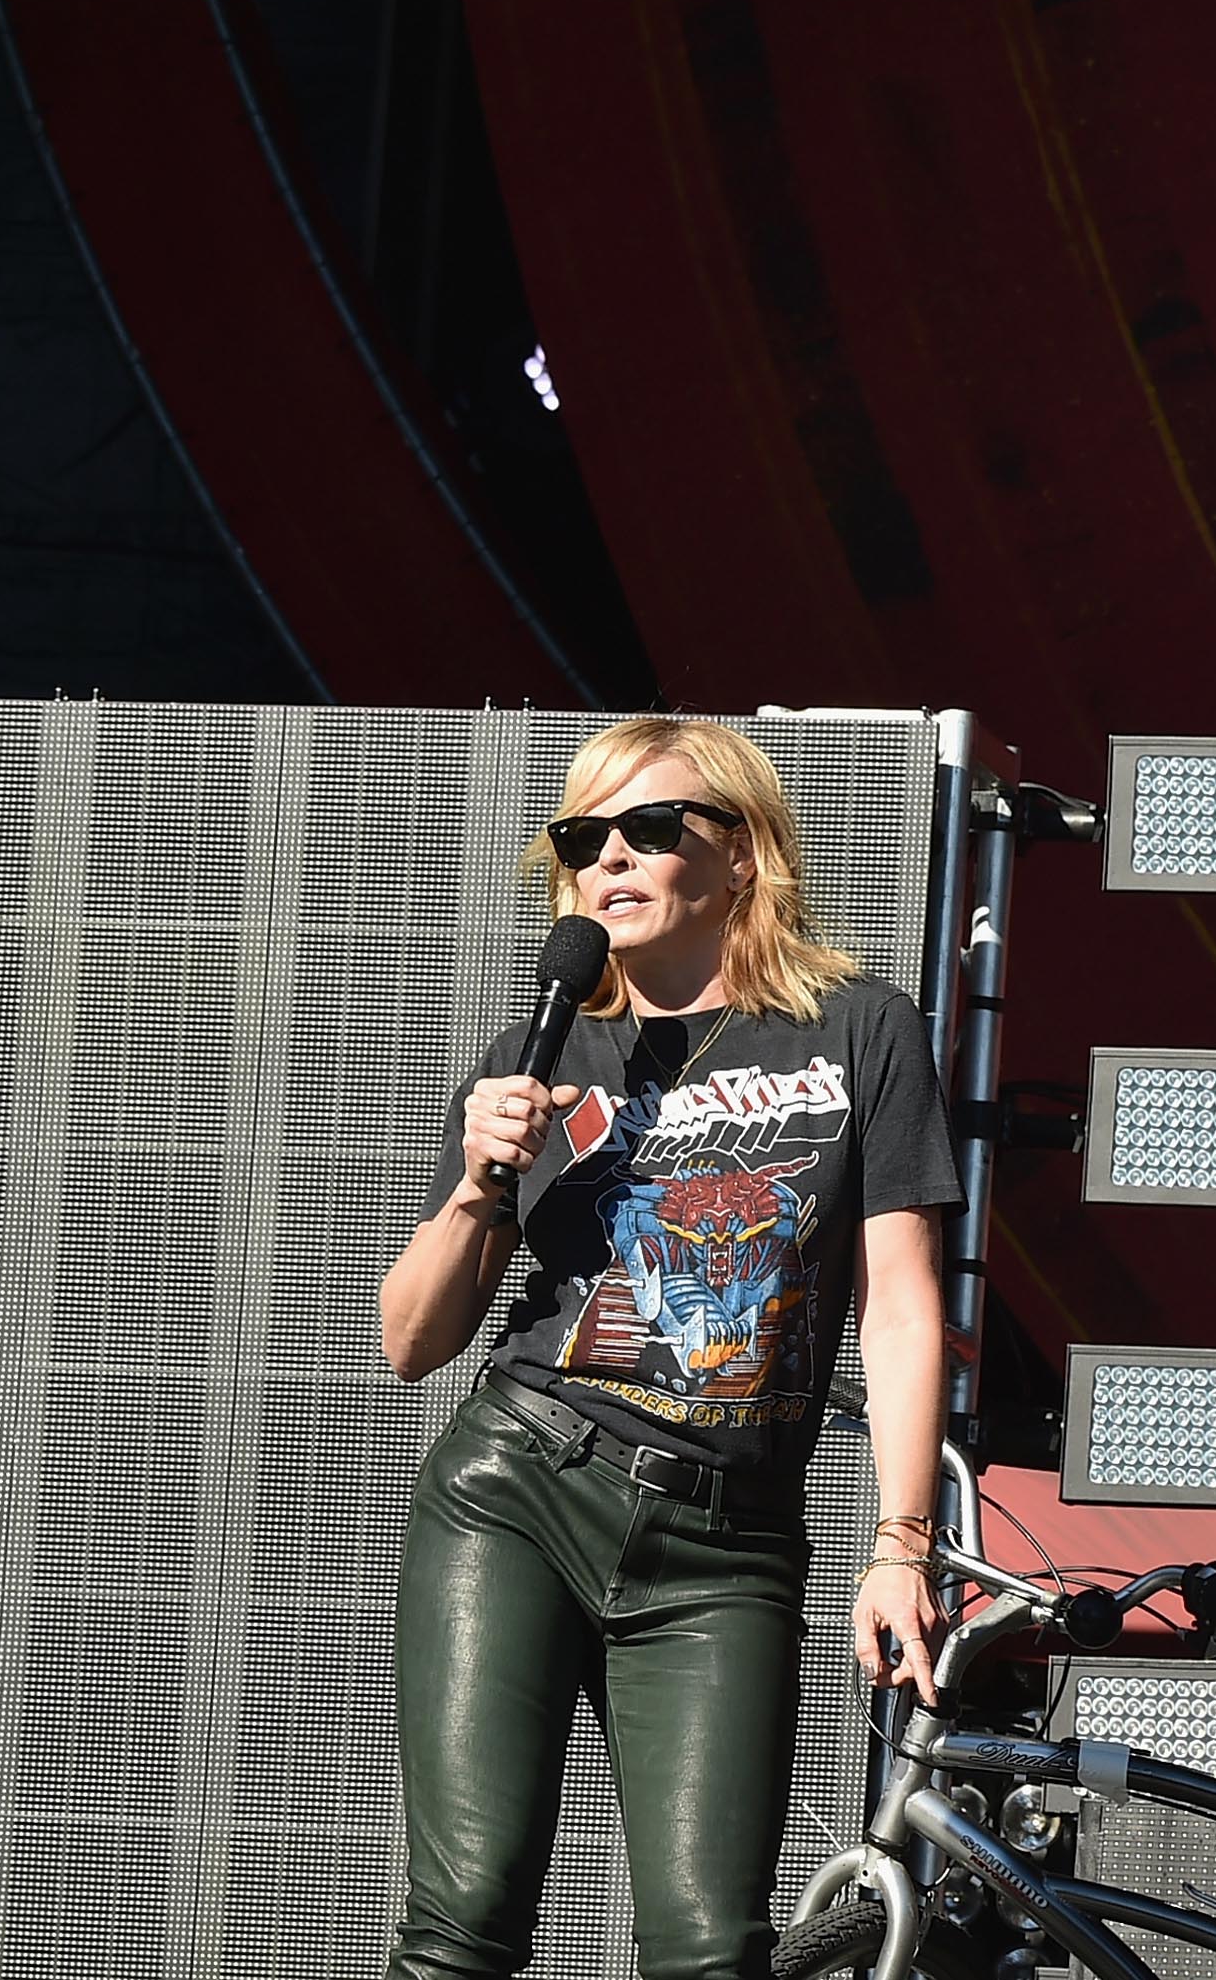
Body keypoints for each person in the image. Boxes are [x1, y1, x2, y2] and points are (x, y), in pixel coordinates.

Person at [379, 716, 963, 1980]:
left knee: (711, 1951)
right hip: (521, 1491)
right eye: (585, 838)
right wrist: (481, 1186)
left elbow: (904, 1306)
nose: (611, 859)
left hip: (728, 1543)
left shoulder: (858, 1030)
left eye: (652, 828)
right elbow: (412, 1343)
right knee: (463, 1923)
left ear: (741, 855)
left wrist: (902, 1542)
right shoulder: (537, 1060)